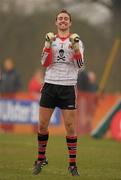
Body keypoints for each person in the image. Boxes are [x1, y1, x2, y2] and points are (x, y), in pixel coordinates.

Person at [32, 9, 84, 176]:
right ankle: (41, 159)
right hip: (50, 85)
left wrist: (75, 48)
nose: (63, 21)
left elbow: (80, 65)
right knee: (42, 125)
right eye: (60, 18)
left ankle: (72, 165)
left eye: (66, 19)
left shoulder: (76, 40)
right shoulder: (50, 39)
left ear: (70, 23)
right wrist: (47, 45)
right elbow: (44, 63)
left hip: (68, 87)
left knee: (70, 127)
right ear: (56, 22)